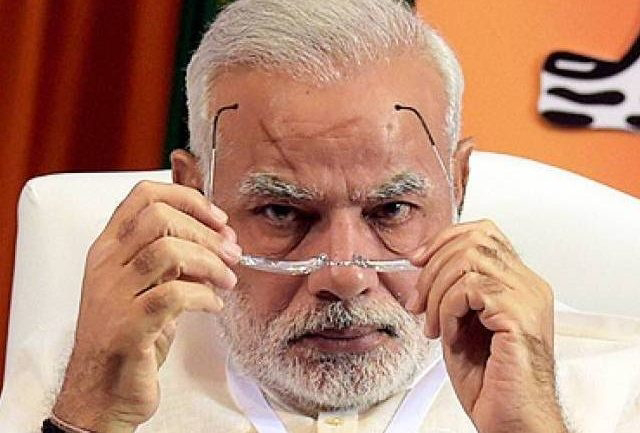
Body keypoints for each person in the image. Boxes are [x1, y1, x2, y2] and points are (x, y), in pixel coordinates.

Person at [43, 1, 640, 432]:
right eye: (282, 212)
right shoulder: (87, 375)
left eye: (391, 209)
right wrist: (91, 417)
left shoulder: (613, 392)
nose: (345, 275)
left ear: (457, 185)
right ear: (195, 193)